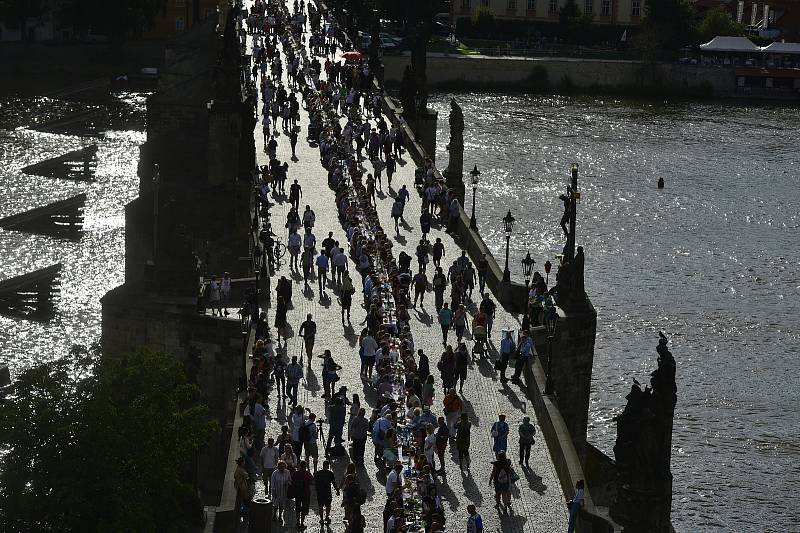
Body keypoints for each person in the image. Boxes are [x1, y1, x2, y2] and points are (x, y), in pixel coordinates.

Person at [315, 460, 339, 525]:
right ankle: (327, 517)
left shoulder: (318, 473)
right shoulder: (330, 473)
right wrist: (337, 490)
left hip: (320, 492)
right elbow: (334, 482)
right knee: (328, 506)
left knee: (320, 506)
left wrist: (316, 490)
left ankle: (321, 519)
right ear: (328, 466)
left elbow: (315, 483)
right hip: (327, 492)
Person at [292, 460, 315, 528]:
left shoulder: (296, 473)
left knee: (298, 509)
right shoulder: (307, 473)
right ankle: (302, 523)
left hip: (298, 494)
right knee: (304, 509)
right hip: (306, 493)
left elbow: (292, 482)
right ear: (305, 466)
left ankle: (297, 522)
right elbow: (312, 482)